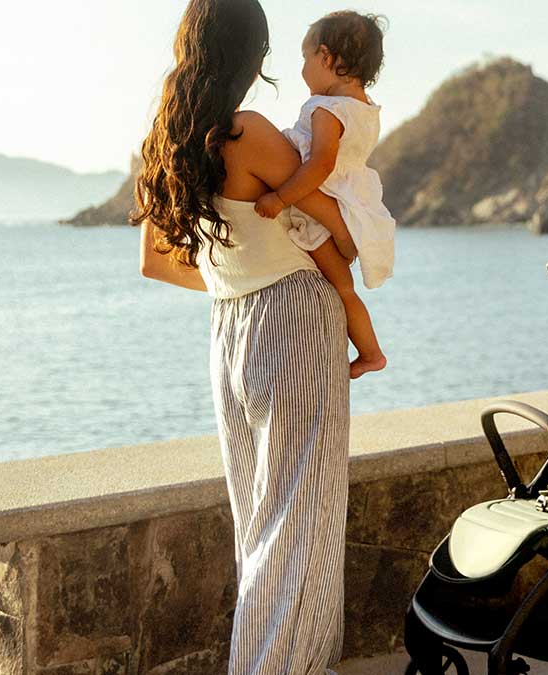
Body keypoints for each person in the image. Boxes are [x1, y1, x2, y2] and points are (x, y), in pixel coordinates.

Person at [133, 1, 352, 672]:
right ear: (251, 56)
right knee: (300, 524)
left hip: (230, 330)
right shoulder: (250, 131)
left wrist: (240, 279)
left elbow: (156, 262)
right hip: (293, 321)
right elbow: (335, 229)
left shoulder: (165, 141)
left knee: (260, 526)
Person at [254, 10, 394, 380]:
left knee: (344, 289)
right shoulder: (365, 109)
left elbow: (319, 166)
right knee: (346, 290)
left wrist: (280, 197)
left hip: (322, 212)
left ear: (328, 58)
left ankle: (371, 353)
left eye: (305, 58)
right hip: (354, 202)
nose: (302, 69)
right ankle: (371, 352)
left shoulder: (326, 110)